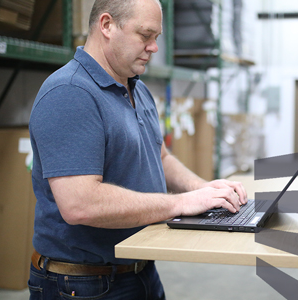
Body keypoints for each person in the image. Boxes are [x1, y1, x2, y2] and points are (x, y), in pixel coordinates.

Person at [27, 0, 247, 299]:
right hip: (84, 284)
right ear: (106, 25)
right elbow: (81, 204)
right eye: (145, 35)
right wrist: (180, 204)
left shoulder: (137, 89)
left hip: (139, 271)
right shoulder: (71, 93)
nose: (154, 47)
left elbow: (159, 157)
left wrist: (205, 190)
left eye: (156, 37)